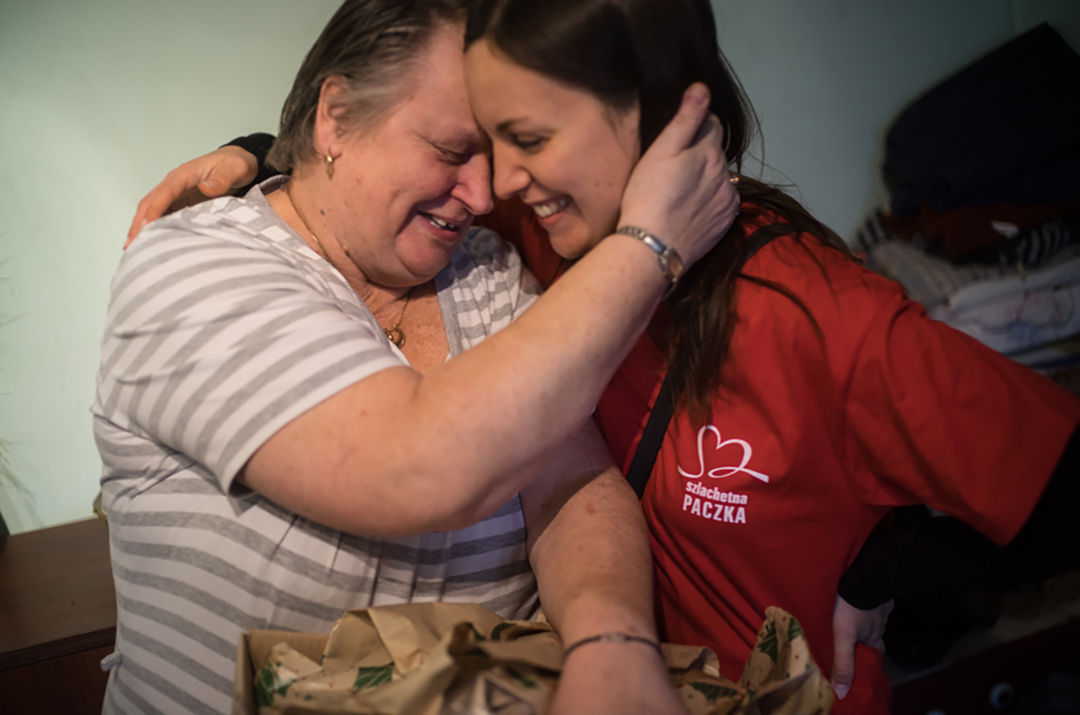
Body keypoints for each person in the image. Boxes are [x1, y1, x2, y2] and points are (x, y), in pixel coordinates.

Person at [129, 0, 1080, 711]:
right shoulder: (547, 235)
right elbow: (368, 179)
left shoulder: (814, 312)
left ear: (656, 121)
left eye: (522, 139)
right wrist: (254, 153)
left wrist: (895, 562)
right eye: (486, 144)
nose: (494, 184)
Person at [96, 1, 739, 713]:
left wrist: (611, 646)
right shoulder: (192, 263)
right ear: (335, 117)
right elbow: (412, 466)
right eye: (452, 149)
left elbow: (570, 478)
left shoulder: (490, 269)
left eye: (495, 151)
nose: (485, 192)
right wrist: (650, 244)